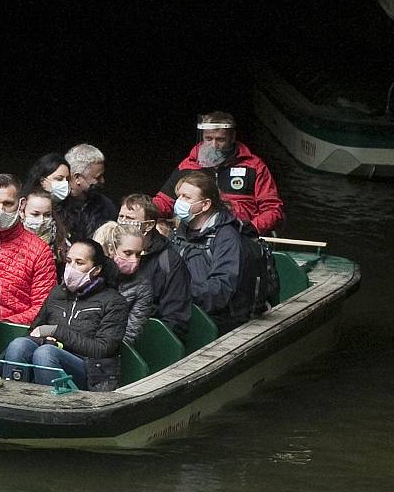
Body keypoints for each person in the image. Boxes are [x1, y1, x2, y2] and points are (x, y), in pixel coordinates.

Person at [0, 239, 128, 391]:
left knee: (45, 354)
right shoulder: (56, 293)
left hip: (91, 371)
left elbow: (102, 349)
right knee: (19, 344)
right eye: (68, 261)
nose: (71, 267)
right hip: (50, 356)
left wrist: (56, 332)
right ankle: (11, 396)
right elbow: (33, 332)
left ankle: (49, 406)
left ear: (96, 270)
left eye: (79, 263)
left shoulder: (114, 301)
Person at [153, 111, 284, 236]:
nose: (214, 145)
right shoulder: (188, 165)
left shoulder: (254, 166)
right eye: (208, 139)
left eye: (220, 139)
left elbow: (272, 209)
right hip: (193, 235)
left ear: (232, 137)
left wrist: (253, 227)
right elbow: (165, 201)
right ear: (202, 136)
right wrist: (143, 210)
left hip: (241, 235)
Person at [167, 171, 252, 335]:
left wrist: (179, 292)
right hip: (181, 308)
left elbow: (221, 289)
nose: (179, 202)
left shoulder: (227, 237)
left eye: (186, 197)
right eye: (179, 196)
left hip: (218, 318)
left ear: (205, 204)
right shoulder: (178, 232)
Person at [0, 173, 57, 325]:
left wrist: (4, 324)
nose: (0, 209)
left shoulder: (40, 251)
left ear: (21, 204)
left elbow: (43, 306)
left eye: (8, 203)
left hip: (14, 333)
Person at [118, 193, 192, 336]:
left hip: (145, 338)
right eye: (121, 217)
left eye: (130, 219)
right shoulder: (111, 250)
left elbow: (175, 318)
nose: (123, 223)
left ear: (149, 225)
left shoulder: (169, 260)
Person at [91, 221, 154, 346]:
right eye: (128, 253)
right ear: (111, 249)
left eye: (138, 254)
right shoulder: (93, 275)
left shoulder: (142, 287)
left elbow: (130, 333)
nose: (134, 260)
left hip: (108, 351)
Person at [57, 143, 117, 241]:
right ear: (77, 178)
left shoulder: (106, 207)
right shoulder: (55, 204)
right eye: (97, 177)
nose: (102, 181)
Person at [20, 189, 69, 280]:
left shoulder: (61, 243)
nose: (42, 220)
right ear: (22, 212)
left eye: (47, 215)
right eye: (35, 214)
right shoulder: (11, 238)